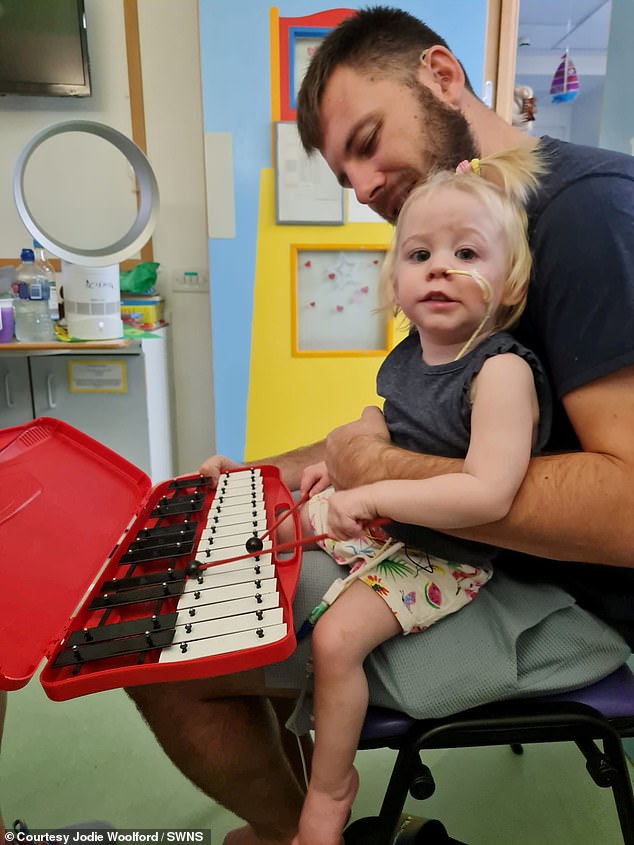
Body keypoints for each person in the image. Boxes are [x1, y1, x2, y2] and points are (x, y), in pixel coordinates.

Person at [127, 8, 633, 845]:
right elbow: (412, 430)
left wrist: (372, 469)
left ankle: (305, 830)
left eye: (366, 141)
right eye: (343, 174)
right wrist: (261, 477)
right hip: (468, 546)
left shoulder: (585, 219)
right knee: (208, 564)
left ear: (440, 75)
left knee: (171, 648)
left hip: (559, 595)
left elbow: (622, 509)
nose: (360, 189)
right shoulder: (460, 241)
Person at [270, 148, 550, 845]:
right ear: (394, 281)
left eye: (467, 252)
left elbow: (488, 493)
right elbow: (385, 423)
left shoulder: (501, 371)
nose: (441, 268)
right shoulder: (408, 354)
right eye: (420, 253)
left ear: (509, 284)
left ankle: (331, 792)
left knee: (336, 640)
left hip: (446, 554)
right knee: (270, 531)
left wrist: (372, 492)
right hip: (393, 525)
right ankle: (280, 742)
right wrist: (341, 465)